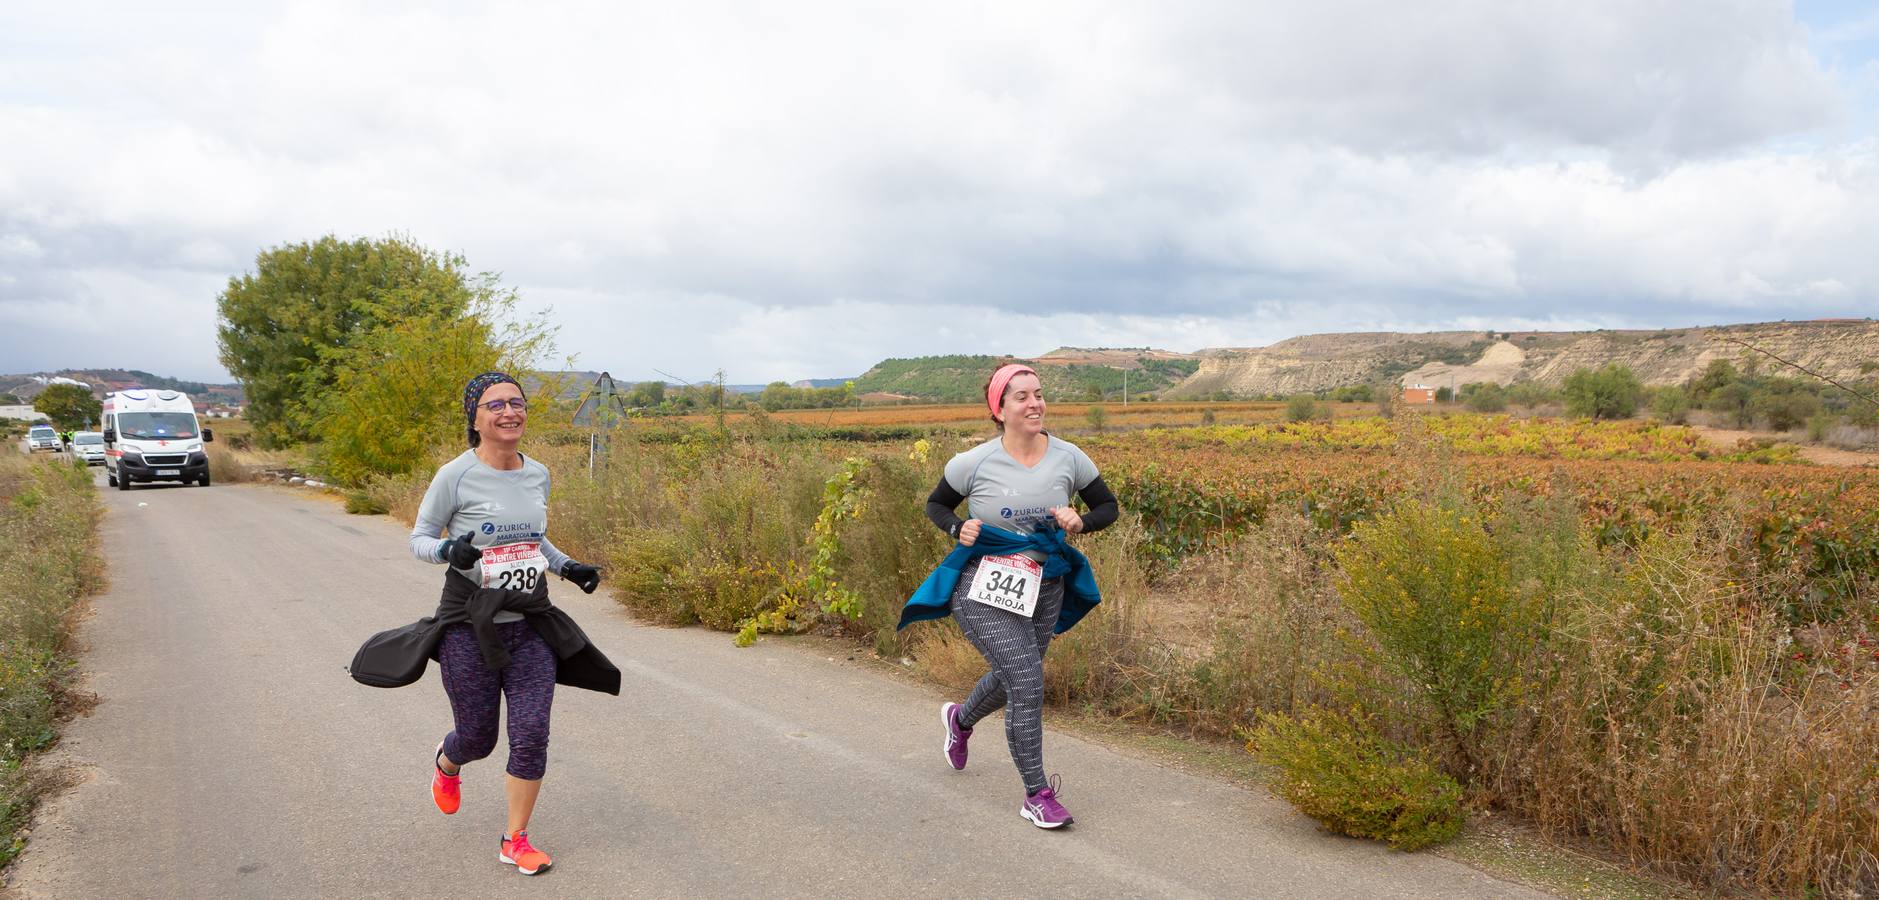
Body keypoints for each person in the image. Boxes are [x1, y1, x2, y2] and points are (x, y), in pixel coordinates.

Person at [349, 371, 620, 876]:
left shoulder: (537, 473)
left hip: (532, 623)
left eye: (516, 402)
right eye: (495, 404)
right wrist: (450, 549)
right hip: (469, 627)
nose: (509, 412)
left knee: (532, 733)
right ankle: (448, 762)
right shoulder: (455, 475)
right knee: (478, 738)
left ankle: (515, 839)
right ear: (474, 418)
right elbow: (420, 538)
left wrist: (567, 566)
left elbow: (532, 540)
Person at [898, 363, 1118, 828]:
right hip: (982, 585)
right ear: (999, 409)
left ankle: (960, 720)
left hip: (1045, 585)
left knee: (1016, 675)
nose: (1035, 403)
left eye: (1038, 394)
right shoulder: (972, 462)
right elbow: (935, 504)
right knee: (1027, 681)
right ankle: (1036, 793)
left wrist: (1082, 522)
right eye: (1022, 396)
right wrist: (959, 527)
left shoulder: (1069, 457)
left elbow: (1108, 507)